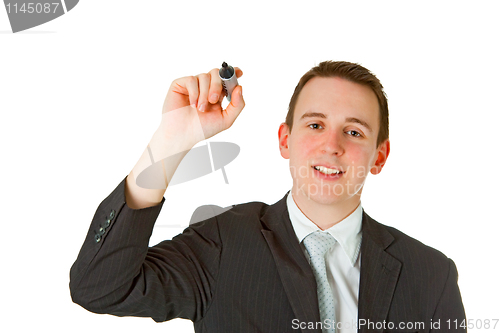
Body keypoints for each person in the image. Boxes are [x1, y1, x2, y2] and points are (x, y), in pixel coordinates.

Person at [69, 61, 466, 333]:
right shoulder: (223, 244)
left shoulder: (431, 275)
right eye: (315, 124)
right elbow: (99, 287)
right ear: (285, 140)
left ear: (379, 156)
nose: (331, 146)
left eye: (354, 132)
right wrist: (169, 145)